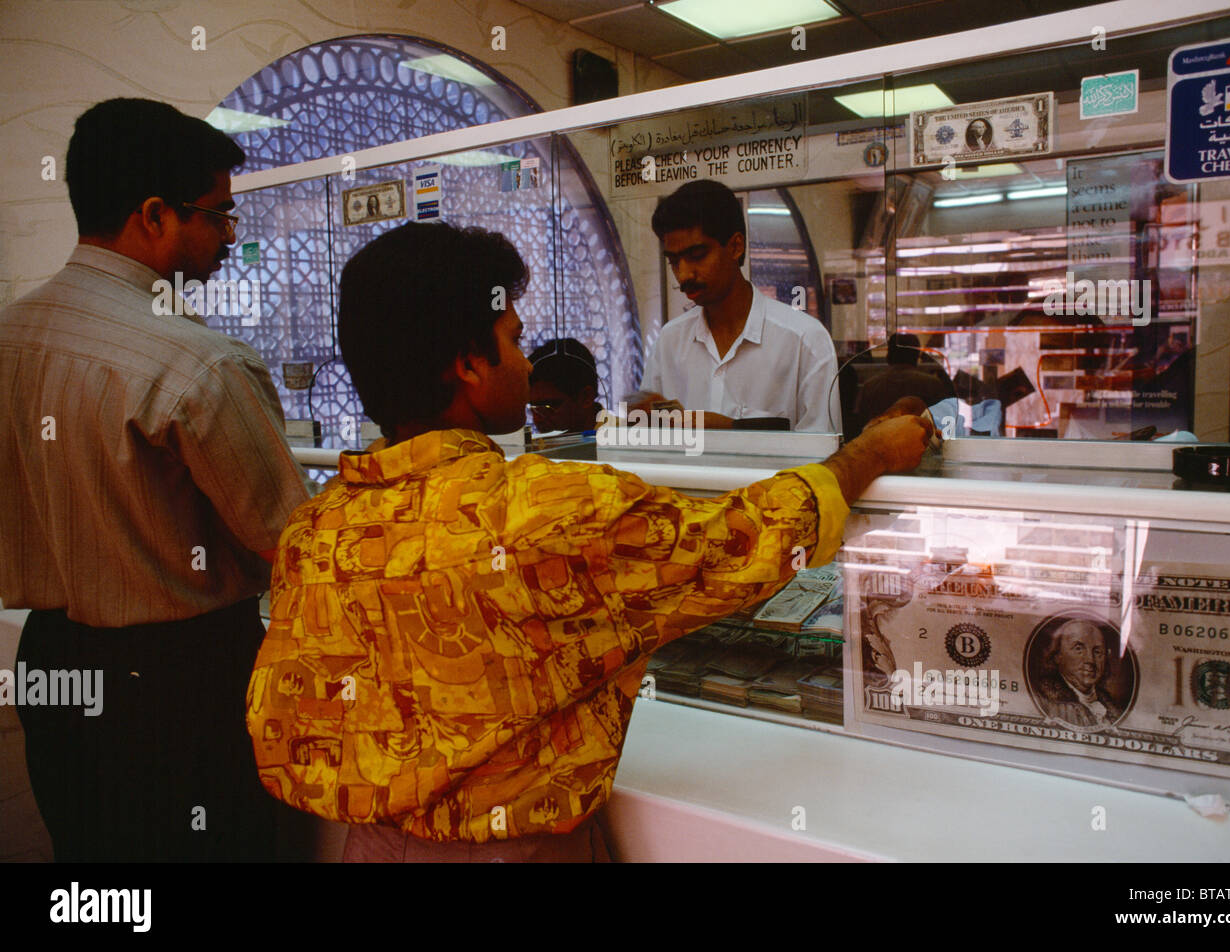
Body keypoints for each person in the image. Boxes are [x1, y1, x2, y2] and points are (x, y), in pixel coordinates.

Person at [244, 221, 931, 862]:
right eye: (513, 340)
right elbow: (744, 538)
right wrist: (869, 455)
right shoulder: (547, 508)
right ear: (470, 365)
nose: (523, 362)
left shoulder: (315, 528)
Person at [0, 98, 311, 861]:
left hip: (51, 664)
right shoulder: (196, 362)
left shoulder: (9, 336)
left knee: (97, 871)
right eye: (219, 214)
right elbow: (290, 543)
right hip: (177, 682)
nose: (230, 236)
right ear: (154, 215)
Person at [636, 180, 841, 432]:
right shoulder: (670, 341)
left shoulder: (804, 341)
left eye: (697, 256)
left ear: (735, 246)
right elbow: (649, 441)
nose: (684, 274)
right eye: (674, 262)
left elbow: (823, 457)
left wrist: (732, 429)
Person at [853, 332, 957, 436]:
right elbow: (944, 422)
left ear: (889, 355)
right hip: (921, 448)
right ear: (917, 355)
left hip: (878, 446)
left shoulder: (870, 386)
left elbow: (859, 423)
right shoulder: (932, 385)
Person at [1035, 618, 1125, 728]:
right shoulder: (1043, 701)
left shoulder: (1113, 709)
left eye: (1097, 652)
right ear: (1058, 656)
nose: (1090, 660)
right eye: (1079, 649)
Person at [527, 337, 603, 433]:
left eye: (549, 407)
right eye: (533, 408)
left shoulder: (620, 439)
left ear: (586, 397)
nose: (537, 419)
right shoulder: (546, 443)